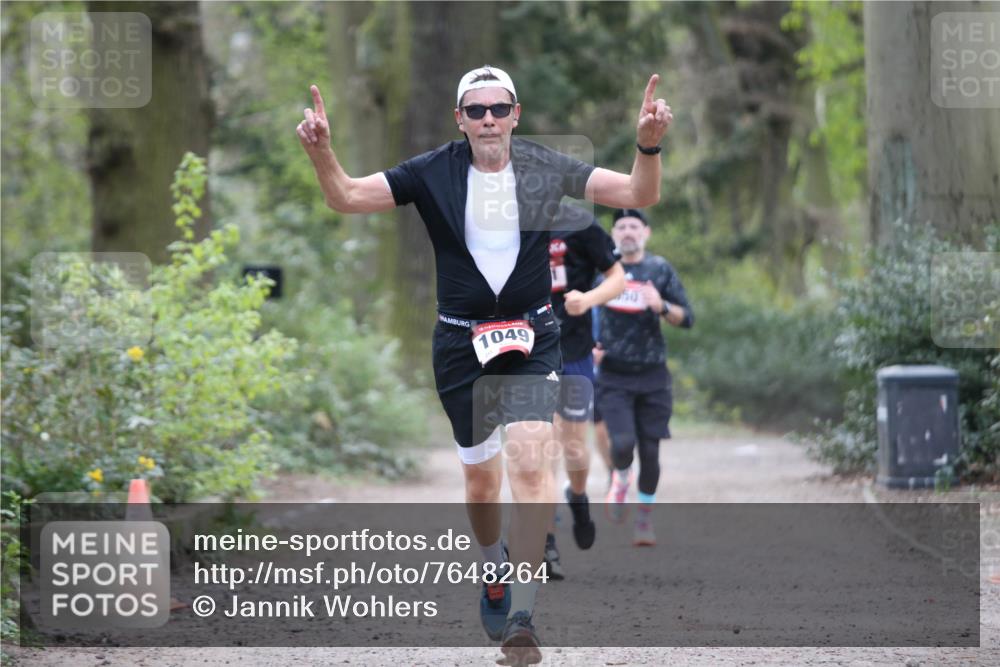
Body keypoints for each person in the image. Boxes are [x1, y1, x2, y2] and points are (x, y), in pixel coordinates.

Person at [297, 66, 672, 663]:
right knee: (480, 481)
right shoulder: (431, 171)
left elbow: (638, 193)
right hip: (458, 344)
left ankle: (523, 612)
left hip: (531, 336)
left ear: (516, 115)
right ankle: (492, 561)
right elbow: (345, 196)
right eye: (477, 110)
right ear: (461, 119)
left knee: (529, 460)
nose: (489, 119)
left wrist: (647, 143)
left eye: (500, 108)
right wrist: (322, 152)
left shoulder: (546, 168)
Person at [594, 208, 693, 547]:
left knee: (650, 452)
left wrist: (661, 306)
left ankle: (645, 518)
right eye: (620, 227)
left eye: (634, 226)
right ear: (613, 235)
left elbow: (687, 317)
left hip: (653, 375)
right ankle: (621, 477)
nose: (627, 232)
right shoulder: (602, 270)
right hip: (613, 375)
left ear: (646, 233)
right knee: (621, 444)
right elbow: (579, 309)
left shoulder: (659, 269)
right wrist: (588, 346)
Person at [543, 203, 624, 580]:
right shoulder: (506, 227)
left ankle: (577, 495)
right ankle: (544, 542)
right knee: (540, 444)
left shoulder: (579, 225)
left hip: (574, 348)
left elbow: (617, 279)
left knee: (574, 445)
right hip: (528, 348)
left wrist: (587, 300)